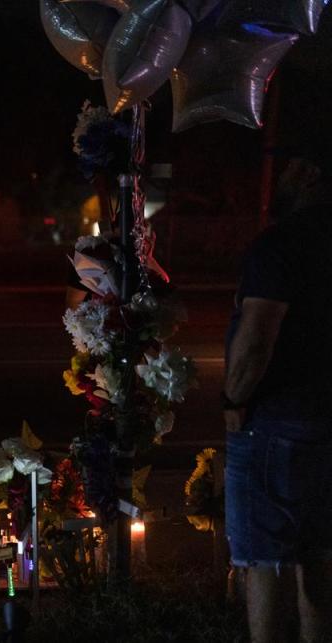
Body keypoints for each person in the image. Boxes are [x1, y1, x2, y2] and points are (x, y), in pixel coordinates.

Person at [224, 151, 332, 642]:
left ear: (308, 174)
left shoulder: (281, 246)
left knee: (265, 559)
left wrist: (232, 399)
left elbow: (257, 338)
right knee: (321, 555)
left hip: (280, 422)